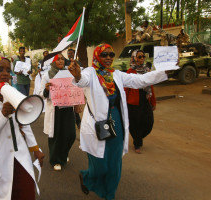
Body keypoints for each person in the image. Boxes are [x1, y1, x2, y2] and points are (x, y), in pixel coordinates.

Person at [68, 44, 168, 199]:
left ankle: (109, 195)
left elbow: (140, 80)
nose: (108, 58)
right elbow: (82, 81)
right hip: (98, 125)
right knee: (100, 165)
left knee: (114, 164)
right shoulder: (90, 72)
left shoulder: (117, 74)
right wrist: (77, 75)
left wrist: (164, 72)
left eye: (111, 54)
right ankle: (87, 177)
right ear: (97, 57)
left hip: (117, 121)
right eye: (104, 55)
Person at [0, 57, 44, 200]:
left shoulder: (11, 91)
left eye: (8, 70)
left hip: (20, 155)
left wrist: (35, 148)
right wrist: (3, 114)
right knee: (3, 195)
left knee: (26, 192)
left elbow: (24, 122)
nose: (5, 73)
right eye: (0, 70)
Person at [39, 53, 76, 171]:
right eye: (58, 59)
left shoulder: (69, 74)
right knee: (56, 136)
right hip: (55, 110)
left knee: (70, 134)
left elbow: (76, 88)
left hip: (68, 108)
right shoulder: (47, 75)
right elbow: (41, 95)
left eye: (62, 59)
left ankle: (63, 153)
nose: (60, 61)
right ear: (53, 62)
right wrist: (46, 89)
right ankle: (56, 160)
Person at [125, 50, 156, 154]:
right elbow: (126, 89)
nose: (142, 59)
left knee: (149, 122)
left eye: (143, 56)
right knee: (135, 123)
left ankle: (138, 137)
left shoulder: (147, 71)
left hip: (145, 99)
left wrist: (153, 101)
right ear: (134, 58)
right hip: (133, 102)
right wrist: (124, 104)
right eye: (139, 57)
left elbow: (151, 86)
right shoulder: (130, 72)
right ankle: (137, 143)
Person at [65, 48, 83, 129]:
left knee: (76, 105)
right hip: (67, 87)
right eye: (69, 53)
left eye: (72, 53)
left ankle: (78, 122)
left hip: (75, 87)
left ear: (75, 54)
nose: (70, 55)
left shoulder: (78, 63)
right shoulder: (65, 63)